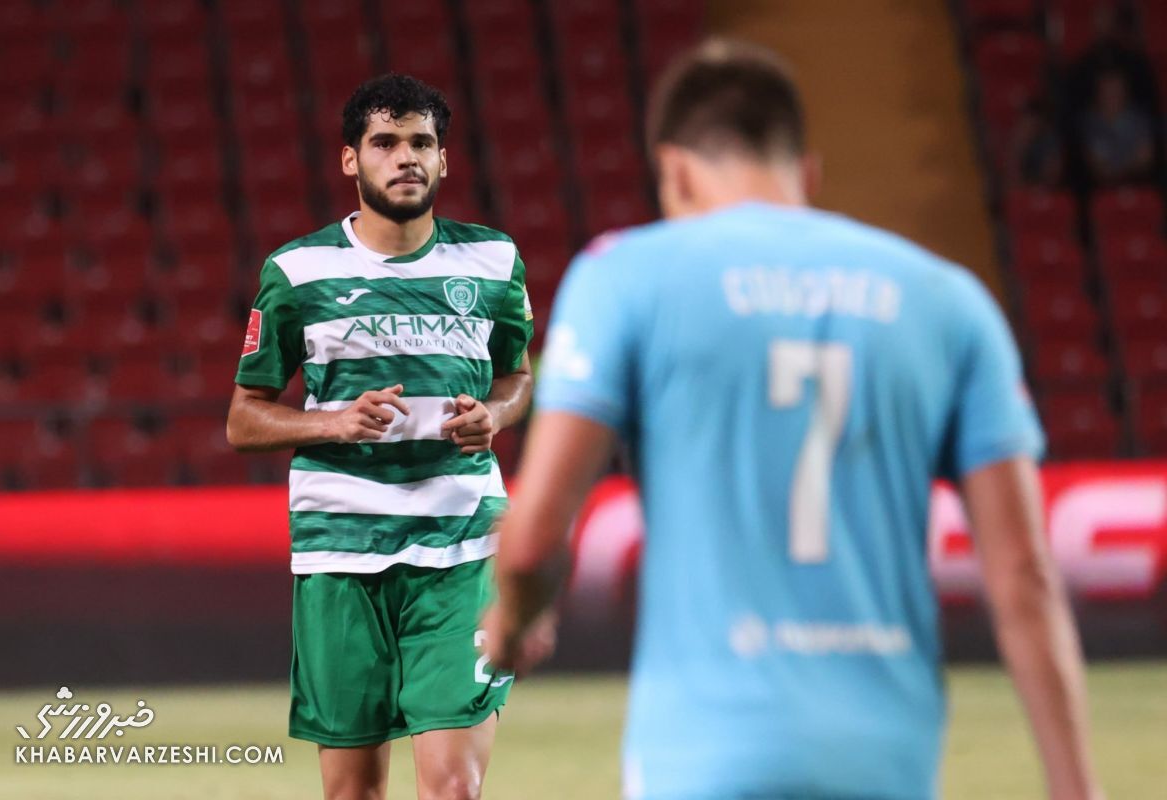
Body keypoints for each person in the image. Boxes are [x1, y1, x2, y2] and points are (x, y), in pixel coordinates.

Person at [485, 39, 1102, 800]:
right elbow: (1024, 575)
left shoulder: (624, 276)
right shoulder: (949, 300)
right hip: (887, 759)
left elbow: (533, 543)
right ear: (808, 174)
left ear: (675, 171)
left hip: (703, 758)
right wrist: (1077, 788)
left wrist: (513, 630)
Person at [227, 73, 534, 800]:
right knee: (353, 793)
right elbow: (244, 418)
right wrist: (331, 421)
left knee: (453, 788)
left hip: (461, 546)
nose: (406, 158)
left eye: (421, 143)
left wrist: (497, 415)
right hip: (340, 552)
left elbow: (519, 376)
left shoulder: (493, 262)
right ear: (350, 159)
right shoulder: (297, 272)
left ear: (444, 159)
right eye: (385, 143)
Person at [1081, 69, 1155, 186]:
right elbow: (1097, 168)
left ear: (1125, 92)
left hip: (1138, 184)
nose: (1112, 96)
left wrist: (1119, 170)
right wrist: (1130, 164)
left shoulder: (1139, 119)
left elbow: (1145, 160)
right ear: (1098, 93)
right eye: (1107, 91)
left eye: (1116, 90)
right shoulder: (1089, 123)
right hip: (1100, 188)